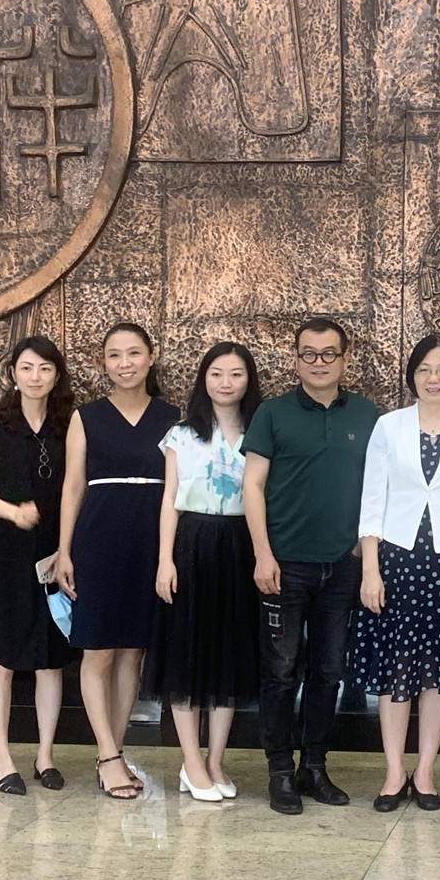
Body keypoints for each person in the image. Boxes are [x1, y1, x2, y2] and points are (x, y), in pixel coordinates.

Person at [243, 317, 379, 814]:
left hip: (343, 566)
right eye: (308, 353)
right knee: (280, 672)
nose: (318, 362)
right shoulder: (272, 414)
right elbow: (252, 486)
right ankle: (280, 771)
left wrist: (363, 551)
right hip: (284, 565)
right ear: (296, 358)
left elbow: (378, 487)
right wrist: (262, 553)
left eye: (328, 354)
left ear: (345, 358)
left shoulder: (367, 414)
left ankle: (314, 767)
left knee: (328, 671)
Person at [355, 334, 440, 813]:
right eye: (425, 369)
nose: (434, 378)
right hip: (397, 561)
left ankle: (426, 771)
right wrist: (370, 571)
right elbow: (372, 501)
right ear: (412, 375)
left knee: (439, 671)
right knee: (397, 666)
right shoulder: (388, 426)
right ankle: (394, 773)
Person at [56, 323, 179, 800]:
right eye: (114, 355)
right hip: (98, 537)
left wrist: (169, 555)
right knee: (98, 649)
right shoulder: (85, 417)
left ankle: (116, 750)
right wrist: (64, 549)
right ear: (103, 362)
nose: (124, 363)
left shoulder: (174, 417)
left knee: (132, 650)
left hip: (151, 537)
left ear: (151, 356)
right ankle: (107, 756)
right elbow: (72, 486)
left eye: (133, 353)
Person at [146, 342, 262, 803]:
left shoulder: (260, 430)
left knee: (228, 652)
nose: (226, 383)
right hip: (191, 543)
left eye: (235, 374)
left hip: (240, 545)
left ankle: (215, 761)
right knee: (187, 651)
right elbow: (169, 499)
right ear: (203, 379)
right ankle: (191, 761)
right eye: (216, 374)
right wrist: (165, 559)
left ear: (248, 380)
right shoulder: (181, 434)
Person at [0, 336, 77, 796]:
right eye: (27, 368)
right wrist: (13, 513)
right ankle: (2, 759)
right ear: (13, 373)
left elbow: (79, 486)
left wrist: (67, 548)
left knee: (51, 660)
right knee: (3, 657)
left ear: (56, 376)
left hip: (56, 554)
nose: (36, 377)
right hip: (6, 557)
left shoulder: (68, 425)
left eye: (45, 369)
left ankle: (45, 756)